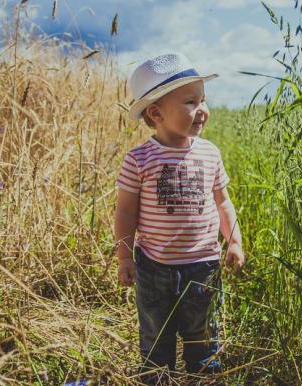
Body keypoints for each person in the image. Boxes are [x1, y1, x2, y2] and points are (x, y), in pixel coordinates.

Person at [113, 52, 245, 383]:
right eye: (190, 102)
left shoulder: (210, 153)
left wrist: (234, 241)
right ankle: (159, 376)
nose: (202, 109)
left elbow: (223, 202)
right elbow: (126, 211)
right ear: (156, 113)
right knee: (156, 335)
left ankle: (203, 376)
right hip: (154, 267)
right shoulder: (139, 159)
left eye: (203, 100)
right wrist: (124, 256)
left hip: (203, 265)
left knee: (203, 333)